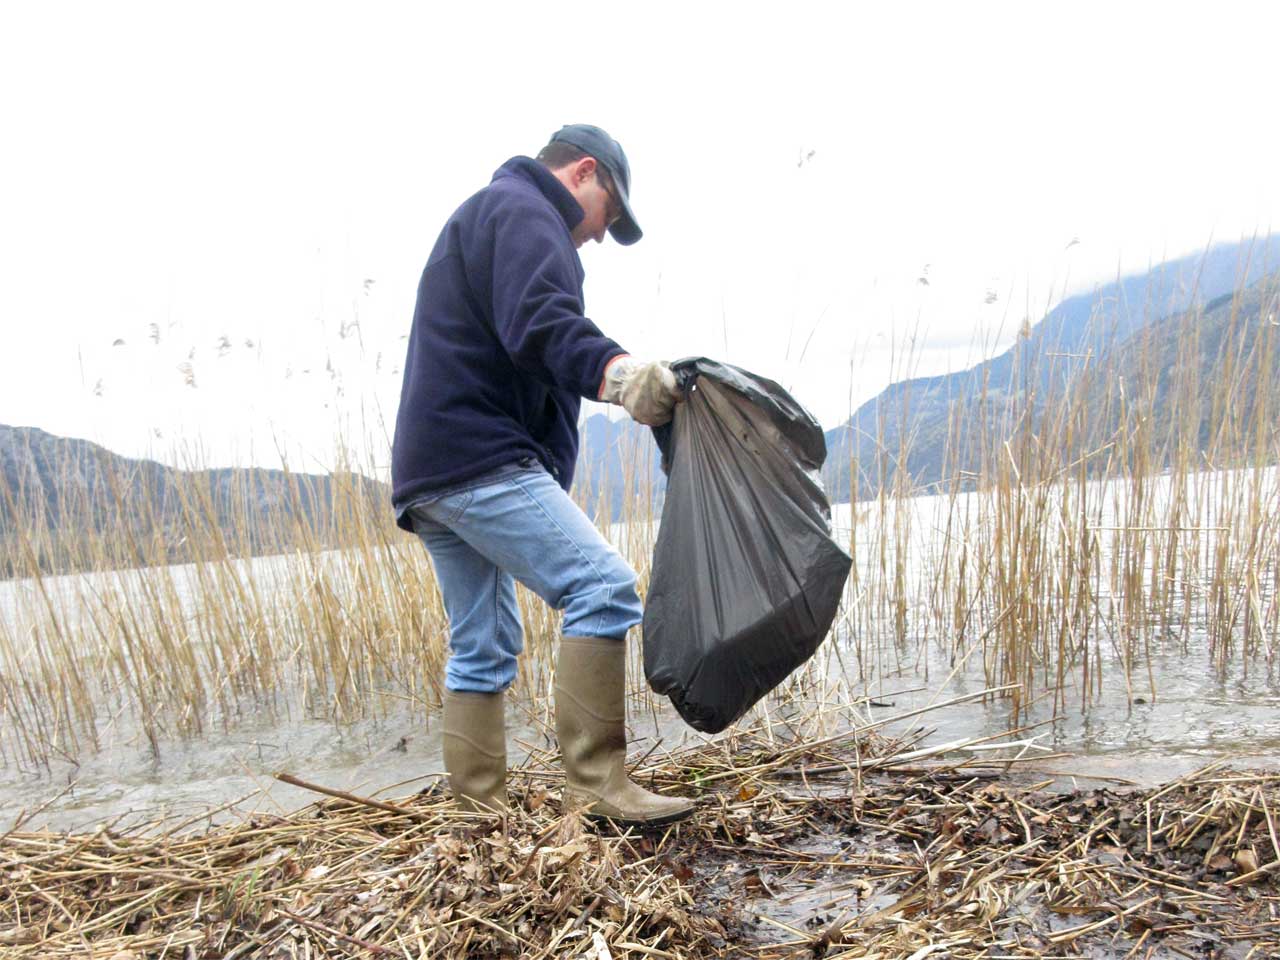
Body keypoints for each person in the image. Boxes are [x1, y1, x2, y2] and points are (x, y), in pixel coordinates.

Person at [390, 124, 693, 825]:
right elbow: (541, 324)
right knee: (603, 588)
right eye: (606, 217)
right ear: (585, 172)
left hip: (432, 470)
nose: (595, 236)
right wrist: (620, 376)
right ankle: (596, 786)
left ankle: (479, 816)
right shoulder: (526, 211)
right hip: (476, 459)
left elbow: (517, 340)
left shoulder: (489, 215)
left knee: (482, 644)